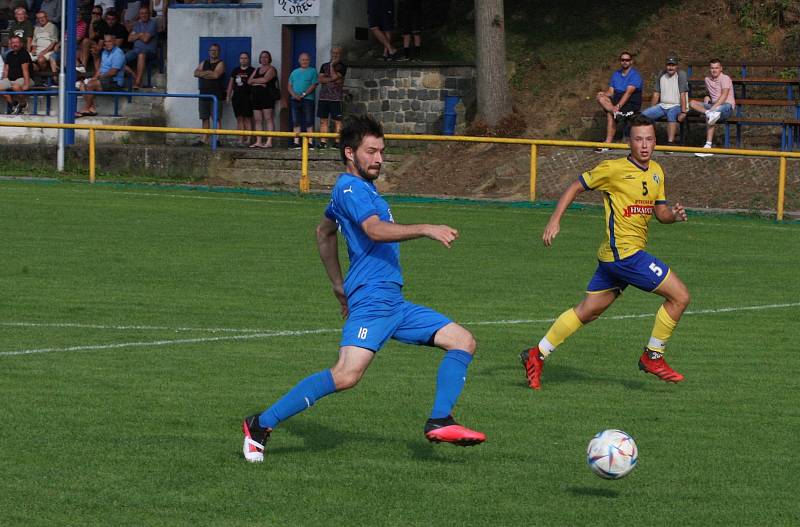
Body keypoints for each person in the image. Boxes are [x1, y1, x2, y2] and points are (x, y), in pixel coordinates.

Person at [241, 114, 486, 463]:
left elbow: (323, 232)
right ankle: (260, 424)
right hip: (373, 300)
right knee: (345, 375)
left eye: (381, 151)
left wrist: (338, 286)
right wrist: (426, 228)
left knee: (463, 341)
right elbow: (373, 230)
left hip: (393, 302)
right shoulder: (350, 188)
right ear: (349, 153)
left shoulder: (359, 190)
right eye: (371, 151)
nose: (379, 158)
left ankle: (440, 419)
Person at [520, 115, 690, 391]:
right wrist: (555, 220)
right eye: (638, 139)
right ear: (628, 142)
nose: (644, 145)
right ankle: (653, 356)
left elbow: (660, 213)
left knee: (587, 312)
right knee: (680, 296)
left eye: (649, 139)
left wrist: (674, 215)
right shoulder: (612, 169)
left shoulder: (657, 171)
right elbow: (576, 185)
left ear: (655, 141)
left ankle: (536, 354)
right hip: (625, 254)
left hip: (613, 258)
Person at [595, 52, 643, 150]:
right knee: (600, 98)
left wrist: (618, 106)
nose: (625, 62)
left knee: (610, 114)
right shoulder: (616, 74)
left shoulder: (635, 75)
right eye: (622, 60)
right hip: (617, 104)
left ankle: (607, 144)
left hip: (630, 103)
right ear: (620, 61)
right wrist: (603, 94)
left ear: (631, 61)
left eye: (627, 60)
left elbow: (628, 93)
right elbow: (611, 92)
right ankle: (615, 113)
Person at [689, 59, 736, 154]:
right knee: (692, 103)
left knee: (717, 111)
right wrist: (707, 97)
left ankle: (708, 145)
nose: (714, 70)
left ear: (721, 68)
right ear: (709, 69)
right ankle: (709, 113)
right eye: (712, 68)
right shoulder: (707, 79)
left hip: (726, 107)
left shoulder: (725, 78)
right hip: (712, 107)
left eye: (716, 68)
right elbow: (710, 94)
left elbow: (724, 96)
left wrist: (714, 107)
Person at [641, 55, 689, 147]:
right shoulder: (661, 74)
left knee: (671, 114)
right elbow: (656, 93)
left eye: (673, 65)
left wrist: (684, 112)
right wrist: (652, 108)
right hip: (663, 105)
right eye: (669, 65)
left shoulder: (681, 74)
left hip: (677, 105)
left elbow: (683, 95)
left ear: (677, 66)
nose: (671, 67)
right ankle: (648, 139)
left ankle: (670, 143)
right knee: (645, 115)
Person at [76, 33, 125, 116]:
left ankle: (86, 108)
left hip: (114, 81)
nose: (107, 43)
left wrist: (98, 78)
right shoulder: (104, 52)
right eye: (106, 42)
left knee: (91, 84)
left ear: (114, 41)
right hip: (104, 78)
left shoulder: (118, 53)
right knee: (82, 85)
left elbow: (113, 72)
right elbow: (100, 69)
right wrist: (94, 77)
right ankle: (92, 108)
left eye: (109, 41)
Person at [192, 42, 225, 146]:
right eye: (211, 50)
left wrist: (203, 74)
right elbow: (195, 73)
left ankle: (217, 139)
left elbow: (216, 75)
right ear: (208, 52)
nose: (213, 52)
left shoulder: (221, 63)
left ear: (219, 52)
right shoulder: (204, 62)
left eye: (215, 50)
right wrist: (208, 73)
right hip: (204, 95)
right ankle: (203, 140)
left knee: (216, 118)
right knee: (204, 118)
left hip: (216, 95)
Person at [317, 46, 347, 149]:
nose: (334, 54)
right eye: (333, 52)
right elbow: (320, 79)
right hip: (323, 97)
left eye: (337, 53)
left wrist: (332, 66)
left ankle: (337, 142)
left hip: (336, 98)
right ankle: (323, 142)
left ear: (340, 54)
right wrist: (332, 79)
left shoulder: (342, 66)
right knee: (323, 120)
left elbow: (335, 77)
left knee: (337, 121)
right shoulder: (323, 65)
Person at [247, 50, 278, 148]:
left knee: (268, 118)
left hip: (267, 96)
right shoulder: (257, 70)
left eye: (266, 57)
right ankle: (258, 141)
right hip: (256, 97)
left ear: (269, 59)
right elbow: (249, 81)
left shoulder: (272, 69)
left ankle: (269, 141)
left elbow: (266, 79)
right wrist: (259, 83)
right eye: (262, 57)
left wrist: (256, 82)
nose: (263, 59)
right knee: (258, 120)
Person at [288, 51, 317, 149]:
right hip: (294, 99)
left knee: (309, 121)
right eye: (303, 59)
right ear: (299, 61)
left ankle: (310, 143)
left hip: (308, 99)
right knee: (296, 121)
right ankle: (296, 143)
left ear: (309, 61)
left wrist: (303, 94)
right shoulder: (294, 72)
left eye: (306, 59)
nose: (304, 61)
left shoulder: (313, 71)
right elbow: (289, 86)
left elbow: (313, 85)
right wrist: (294, 95)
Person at [124, 5, 157, 89]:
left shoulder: (152, 23)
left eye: (146, 13)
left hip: (149, 51)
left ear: (149, 14)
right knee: (119, 59)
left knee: (141, 55)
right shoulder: (137, 24)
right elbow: (129, 38)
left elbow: (146, 39)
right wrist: (141, 34)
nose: (144, 15)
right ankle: (135, 77)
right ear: (139, 15)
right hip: (135, 50)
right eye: (142, 13)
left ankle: (137, 82)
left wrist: (137, 35)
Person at [226, 51, 254, 147]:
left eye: (245, 58)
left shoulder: (252, 70)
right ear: (239, 59)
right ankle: (240, 139)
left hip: (247, 97)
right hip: (237, 97)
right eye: (241, 58)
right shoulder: (235, 70)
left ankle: (248, 139)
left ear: (248, 60)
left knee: (247, 119)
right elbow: (231, 83)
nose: (243, 60)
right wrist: (228, 95)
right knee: (239, 119)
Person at [0, 35, 32, 114]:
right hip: (11, 79)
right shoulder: (9, 55)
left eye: (17, 42)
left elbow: (25, 70)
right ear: (10, 44)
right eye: (13, 43)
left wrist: (26, 84)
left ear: (21, 44)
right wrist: (4, 80)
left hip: (23, 78)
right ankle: (13, 104)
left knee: (16, 86)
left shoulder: (24, 54)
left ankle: (23, 104)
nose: (15, 44)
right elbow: (6, 69)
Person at [30, 11, 58, 79]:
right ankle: (37, 72)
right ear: (37, 19)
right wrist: (33, 49)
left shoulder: (52, 27)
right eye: (39, 18)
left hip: (49, 51)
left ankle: (44, 75)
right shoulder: (36, 28)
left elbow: (53, 42)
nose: (42, 19)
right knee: (25, 59)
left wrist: (44, 52)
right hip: (37, 50)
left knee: (41, 60)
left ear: (47, 17)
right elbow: (34, 41)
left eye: (43, 17)